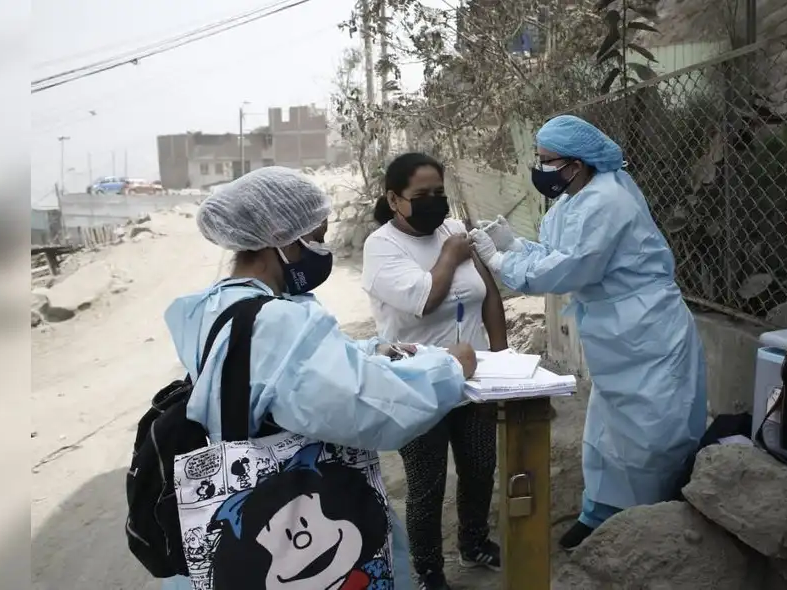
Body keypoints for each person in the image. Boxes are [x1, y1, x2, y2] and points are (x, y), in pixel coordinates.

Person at [160, 166, 477, 590]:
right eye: (318, 238)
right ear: (279, 236)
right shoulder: (276, 322)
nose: (322, 251)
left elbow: (288, 371)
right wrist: (452, 368)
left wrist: (371, 350)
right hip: (297, 513)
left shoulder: (219, 306)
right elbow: (370, 409)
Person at [469, 115, 708, 551]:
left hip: (648, 327)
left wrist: (502, 264)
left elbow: (570, 267)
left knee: (652, 431)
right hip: (615, 331)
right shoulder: (573, 199)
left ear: (576, 164)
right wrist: (514, 245)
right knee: (608, 430)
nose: (538, 168)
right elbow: (558, 252)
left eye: (546, 161)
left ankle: (652, 523)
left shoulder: (608, 200)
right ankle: (598, 513)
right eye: (536, 159)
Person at [361, 153, 507, 590]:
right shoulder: (382, 246)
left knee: (481, 466)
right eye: (421, 196)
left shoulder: (455, 230)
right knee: (427, 483)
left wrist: (502, 361)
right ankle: (428, 570)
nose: (434, 203)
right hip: (417, 383)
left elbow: (489, 296)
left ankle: (473, 541)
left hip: (474, 376)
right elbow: (423, 298)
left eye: (439, 194)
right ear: (394, 199)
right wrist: (449, 253)